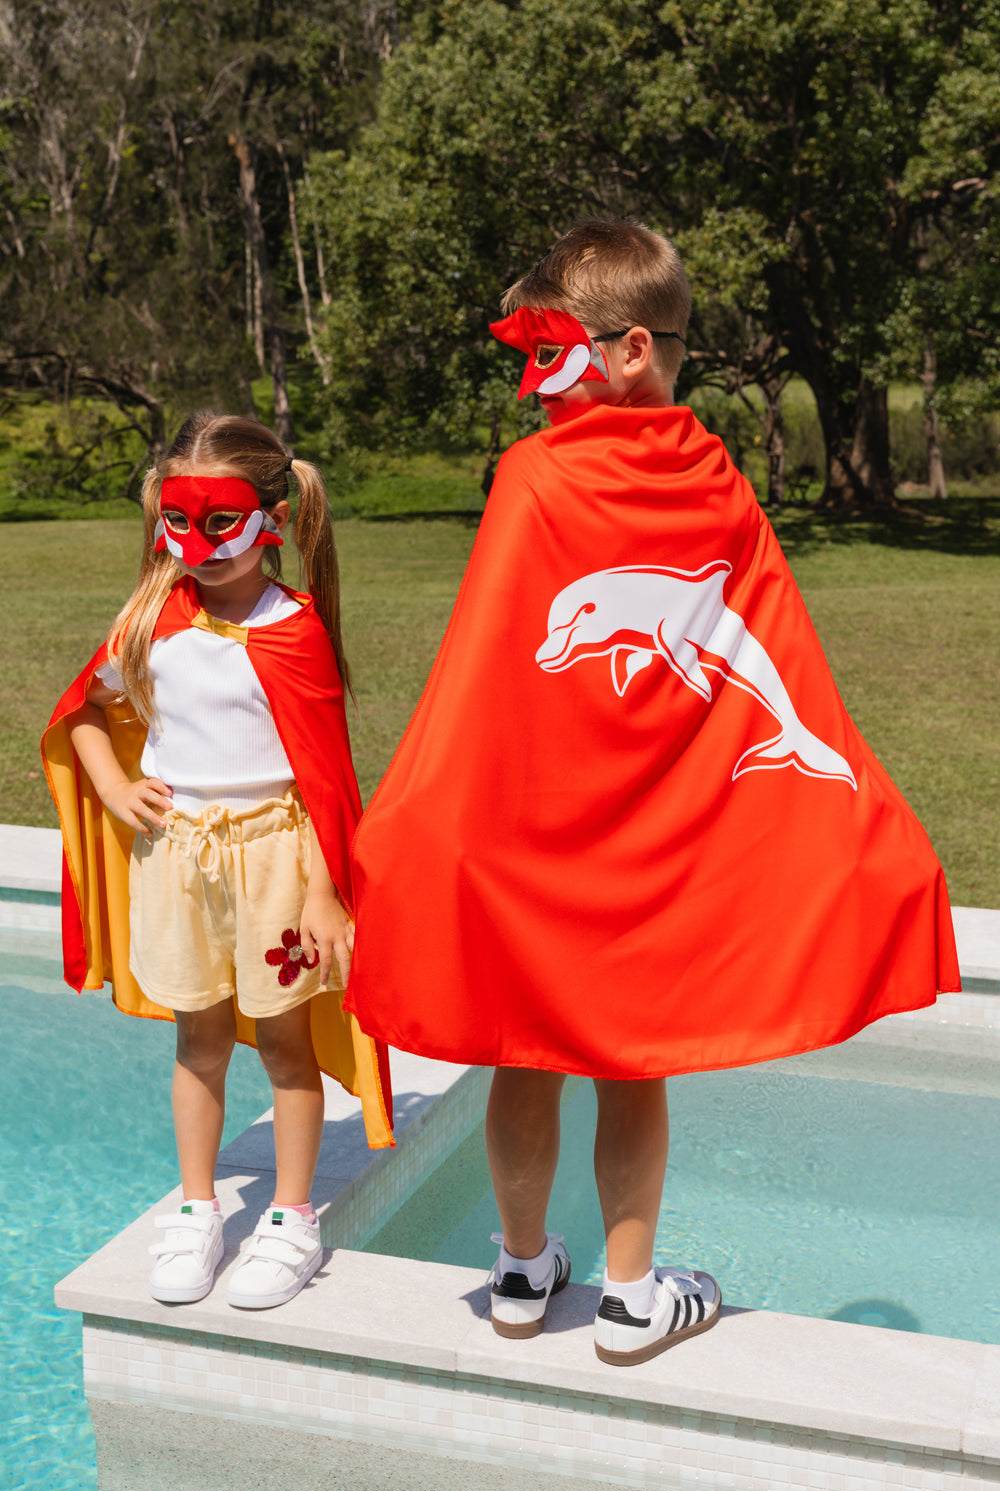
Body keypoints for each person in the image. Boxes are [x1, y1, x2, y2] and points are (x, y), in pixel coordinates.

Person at [343, 219, 959, 1366]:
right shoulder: (715, 483)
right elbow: (759, 661)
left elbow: (485, 677)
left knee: (520, 1052)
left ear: (629, 349)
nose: (532, 384)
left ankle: (520, 1274)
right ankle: (630, 1298)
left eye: (547, 354)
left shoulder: (531, 479)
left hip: (534, 852)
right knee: (632, 1064)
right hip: (648, 858)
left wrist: (421, 813)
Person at [42, 412, 393, 1311]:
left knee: (283, 1041)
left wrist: (325, 891)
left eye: (220, 521)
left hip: (277, 860)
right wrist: (115, 786)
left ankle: (291, 1217)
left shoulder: (295, 628)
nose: (195, 545)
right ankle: (198, 1209)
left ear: (271, 518)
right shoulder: (150, 620)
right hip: (178, 860)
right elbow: (85, 711)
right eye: (177, 520)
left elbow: (327, 778)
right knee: (196, 1039)